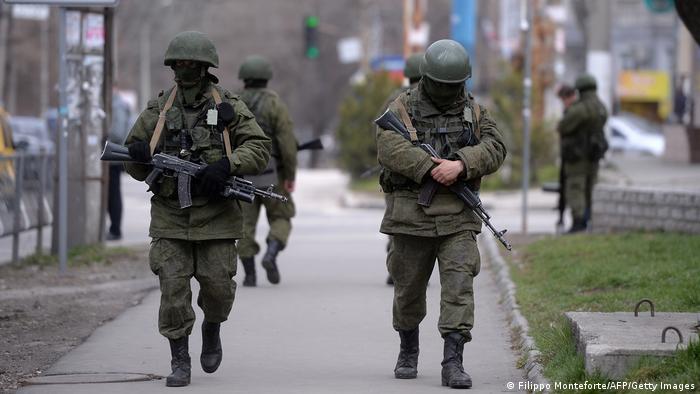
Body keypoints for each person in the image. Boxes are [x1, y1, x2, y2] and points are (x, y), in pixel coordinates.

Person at [123, 31, 271, 387]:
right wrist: (139, 156)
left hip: (217, 217)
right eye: (179, 63)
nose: (185, 68)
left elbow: (260, 147)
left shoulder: (227, 106)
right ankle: (179, 359)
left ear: (206, 68)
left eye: (191, 63)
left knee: (219, 290)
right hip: (170, 215)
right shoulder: (159, 109)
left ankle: (212, 328)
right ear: (172, 66)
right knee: (173, 292)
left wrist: (227, 165)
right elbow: (132, 154)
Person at [375, 39, 506, 389]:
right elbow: (388, 145)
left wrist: (461, 165)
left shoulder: (475, 112)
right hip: (410, 216)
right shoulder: (402, 108)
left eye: (456, 85)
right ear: (428, 79)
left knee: (459, 287)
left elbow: (496, 147)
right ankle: (408, 349)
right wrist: (430, 168)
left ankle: (453, 361)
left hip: (458, 218)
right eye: (444, 85)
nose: (450, 91)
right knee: (408, 291)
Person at [236, 55, 297, 287]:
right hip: (273, 173)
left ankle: (249, 274)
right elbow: (287, 144)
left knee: (243, 224)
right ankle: (271, 253)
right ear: (267, 78)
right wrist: (290, 176)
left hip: (241, 172)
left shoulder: (235, 102)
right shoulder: (275, 104)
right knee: (281, 216)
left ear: (244, 78)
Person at [385, 52, 423, 286]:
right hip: (431, 171)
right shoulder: (437, 101)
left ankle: (396, 269)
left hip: (397, 174)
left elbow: (381, 134)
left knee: (397, 221)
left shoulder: (395, 98)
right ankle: (419, 272)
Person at [557, 73, 608, 233]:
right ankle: (589, 220)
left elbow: (563, 127)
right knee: (590, 189)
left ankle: (578, 223)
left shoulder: (580, 109)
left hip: (577, 157)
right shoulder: (601, 107)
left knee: (576, 188)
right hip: (594, 155)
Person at [106, 86, 132, 241]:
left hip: (113, 156)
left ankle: (115, 229)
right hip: (115, 155)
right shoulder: (119, 104)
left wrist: (103, 135)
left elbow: (117, 132)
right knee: (112, 193)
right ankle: (114, 229)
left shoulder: (117, 105)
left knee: (113, 194)